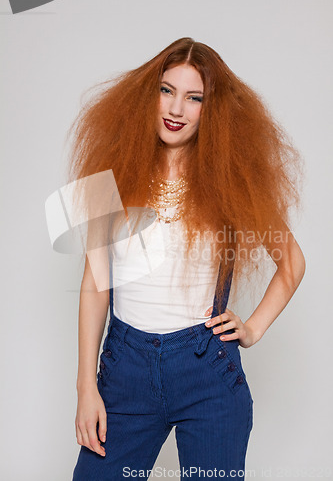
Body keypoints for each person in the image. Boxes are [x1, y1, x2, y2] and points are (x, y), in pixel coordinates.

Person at [68, 37, 306, 480]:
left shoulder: (231, 180)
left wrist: (252, 329)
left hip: (206, 369)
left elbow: (292, 263)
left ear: (210, 110)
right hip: (125, 369)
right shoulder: (112, 171)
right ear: (149, 94)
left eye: (194, 98)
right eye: (166, 90)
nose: (176, 109)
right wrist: (86, 385)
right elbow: (95, 282)